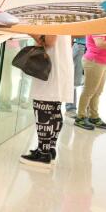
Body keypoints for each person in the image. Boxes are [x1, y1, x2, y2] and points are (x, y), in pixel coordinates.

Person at [21, 34, 73, 170]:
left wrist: (31, 32)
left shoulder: (54, 20)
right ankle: (50, 150)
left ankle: (43, 154)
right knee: (54, 109)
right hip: (61, 63)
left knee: (43, 108)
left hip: (50, 65)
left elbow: (49, 40)